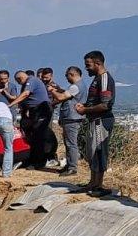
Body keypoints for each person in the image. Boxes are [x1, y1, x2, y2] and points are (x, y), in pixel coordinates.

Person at [74, 51, 115, 197]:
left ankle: (99, 185)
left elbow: (105, 105)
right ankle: (92, 182)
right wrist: (84, 107)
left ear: (97, 63)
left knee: (99, 151)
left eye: (88, 65)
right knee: (92, 152)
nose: (86, 68)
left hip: (101, 121)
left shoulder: (104, 79)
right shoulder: (97, 79)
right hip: (94, 120)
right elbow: (95, 102)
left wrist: (85, 109)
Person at [6, 70, 54, 168]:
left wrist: (11, 104)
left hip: (42, 109)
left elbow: (25, 94)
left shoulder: (31, 81)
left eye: (18, 81)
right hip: (34, 111)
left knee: (39, 135)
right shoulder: (27, 84)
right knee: (34, 135)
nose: (19, 84)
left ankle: (40, 161)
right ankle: (33, 159)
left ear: (20, 78)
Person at [48, 67, 86, 177]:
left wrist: (52, 91)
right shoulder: (80, 85)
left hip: (72, 118)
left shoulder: (75, 86)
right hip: (72, 117)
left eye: (67, 76)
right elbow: (66, 93)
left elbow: (61, 97)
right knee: (68, 143)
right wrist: (58, 88)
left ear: (72, 74)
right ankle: (69, 165)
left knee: (71, 143)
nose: (66, 78)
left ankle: (72, 168)